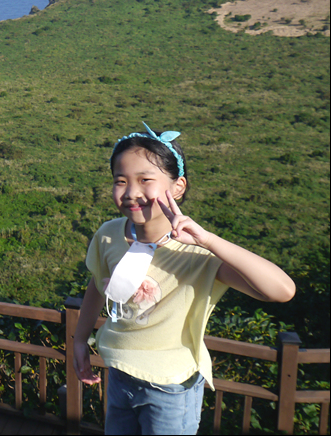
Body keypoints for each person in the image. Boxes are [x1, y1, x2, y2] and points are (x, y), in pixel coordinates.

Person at [72, 123, 295, 435]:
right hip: (119, 372)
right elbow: (98, 284)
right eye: (120, 181)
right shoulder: (109, 234)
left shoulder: (197, 255)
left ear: (177, 187)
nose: (131, 192)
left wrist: (208, 241)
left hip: (171, 388)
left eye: (145, 180)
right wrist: (80, 339)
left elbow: (282, 290)